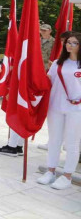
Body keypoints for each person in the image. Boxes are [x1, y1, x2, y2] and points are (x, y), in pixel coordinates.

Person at [36, 32, 81, 190]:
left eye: (74, 43)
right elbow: (47, 81)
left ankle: (67, 175)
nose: (70, 45)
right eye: (68, 42)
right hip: (55, 106)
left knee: (72, 143)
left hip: (76, 109)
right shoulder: (57, 63)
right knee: (54, 139)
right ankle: (50, 171)